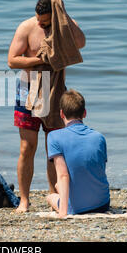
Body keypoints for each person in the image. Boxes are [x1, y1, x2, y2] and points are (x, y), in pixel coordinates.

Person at [7, 0, 86, 212]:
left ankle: (54, 196)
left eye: (45, 21)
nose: (40, 23)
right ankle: (24, 199)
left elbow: (81, 43)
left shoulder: (65, 26)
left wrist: (65, 16)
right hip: (28, 89)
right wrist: (42, 60)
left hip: (55, 89)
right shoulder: (26, 27)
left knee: (54, 148)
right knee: (27, 147)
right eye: (38, 19)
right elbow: (12, 60)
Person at [46, 89, 110, 218]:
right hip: (102, 203)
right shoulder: (99, 137)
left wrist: (63, 212)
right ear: (85, 113)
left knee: (50, 196)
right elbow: (98, 169)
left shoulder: (54, 137)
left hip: (76, 207)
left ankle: (64, 203)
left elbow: (63, 175)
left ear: (61, 114)